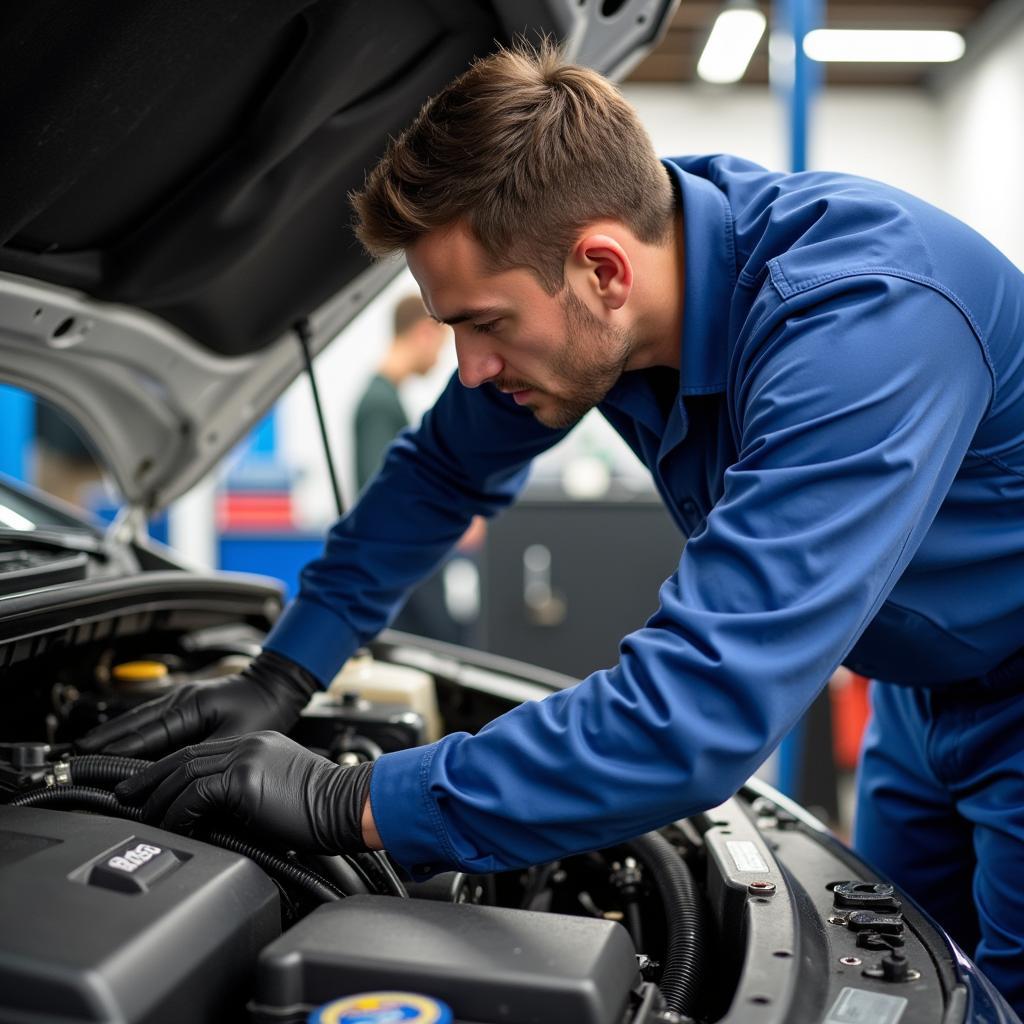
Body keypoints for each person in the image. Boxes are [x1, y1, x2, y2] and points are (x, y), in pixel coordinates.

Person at [79, 43, 1024, 1012]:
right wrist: (281, 675)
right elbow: (440, 470)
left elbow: (691, 718)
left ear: (602, 269)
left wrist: (348, 801)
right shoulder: (616, 286)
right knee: (918, 986)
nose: (471, 367)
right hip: (919, 693)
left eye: (483, 323)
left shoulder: (862, 324)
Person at [353, 293, 468, 644]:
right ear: (424, 333)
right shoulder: (379, 404)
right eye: (443, 344)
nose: (442, 358)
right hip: (398, 571)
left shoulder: (387, 399)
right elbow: (385, 497)